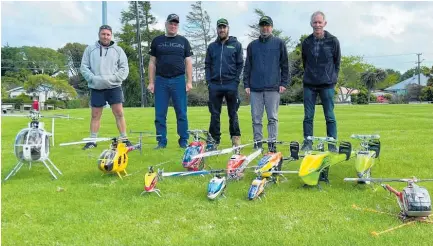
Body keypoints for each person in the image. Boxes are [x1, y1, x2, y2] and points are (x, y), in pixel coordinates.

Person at [243, 16, 289, 152]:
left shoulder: (279, 43)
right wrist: (246, 84)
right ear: (259, 27)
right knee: (256, 119)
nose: (265, 28)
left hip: (273, 88)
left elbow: (285, 64)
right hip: (255, 89)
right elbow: (248, 66)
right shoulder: (252, 46)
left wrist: (284, 83)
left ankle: (272, 144)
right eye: (262, 25)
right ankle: (258, 144)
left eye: (267, 25)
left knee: (272, 118)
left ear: (272, 27)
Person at [80, 24, 130, 150]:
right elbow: (84, 67)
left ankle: (124, 139)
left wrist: (113, 79)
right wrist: (93, 79)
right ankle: (92, 140)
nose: (105, 36)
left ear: (111, 35)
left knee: (119, 113)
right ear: (99, 35)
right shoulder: (90, 50)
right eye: (103, 34)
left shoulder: (118, 50)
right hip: (96, 87)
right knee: (95, 115)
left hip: (114, 87)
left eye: (108, 34)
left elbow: (124, 68)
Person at [147, 14, 193, 149]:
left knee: (182, 113)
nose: (173, 26)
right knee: (160, 114)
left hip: (179, 80)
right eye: (171, 23)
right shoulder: (157, 41)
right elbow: (152, 62)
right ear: (166, 24)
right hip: (161, 80)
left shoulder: (183, 41)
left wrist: (189, 81)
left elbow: (188, 62)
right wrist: (151, 82)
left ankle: (183, 140)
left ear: (177, 26)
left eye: (175, 24)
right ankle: (161, 141)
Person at [300, 11, 341, 152]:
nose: (317, 25)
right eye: (315, 22)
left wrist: (332, 78)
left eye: (320, 22)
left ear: (325, 23)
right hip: (309, 84)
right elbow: (305, 62)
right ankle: (307, 143)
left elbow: (337, 62)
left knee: (330, 116)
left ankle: (332, 144)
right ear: (311, 24)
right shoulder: (306, 42)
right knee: (308, 116)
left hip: (327, 84)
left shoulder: (333, 41)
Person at [204, 18, 243, 150]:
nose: (222, 30)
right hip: (215, 85)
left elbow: (240, 64)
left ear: (228, 28)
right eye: (219, 27)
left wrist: (236, 81)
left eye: (224, 27)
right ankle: (214, 141)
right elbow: (207, 65)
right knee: (214, 114)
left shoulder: (236, 45)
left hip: (231, 84)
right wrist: (209, 82)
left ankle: (235, 139)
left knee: (233, 113)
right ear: (217, 29)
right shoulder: (212, 47)